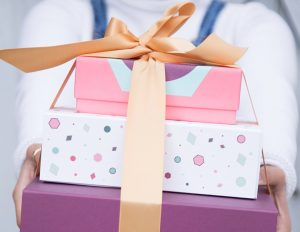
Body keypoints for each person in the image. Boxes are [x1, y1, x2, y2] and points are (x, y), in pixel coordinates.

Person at [11, 0, 298, 231]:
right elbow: (41, 114)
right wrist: (36, 151)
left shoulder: (254, 25)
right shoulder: (62, 13)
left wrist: (274, 164)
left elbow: (271, 91)